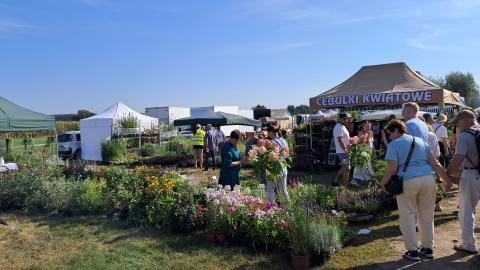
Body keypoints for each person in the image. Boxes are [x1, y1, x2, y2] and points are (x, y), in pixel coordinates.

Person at [380, 119, 452, 261]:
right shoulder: (420, 141)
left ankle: (412, 250)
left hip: (408, 181)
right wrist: (446, 179)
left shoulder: (394, 145)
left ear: (396, 130)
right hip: (428, 179)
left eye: (390, 133)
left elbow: (393, 168)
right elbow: (435, 163)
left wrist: (383, 183)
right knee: (426, 215)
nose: (389, 137)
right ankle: (427, 248)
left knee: (407, 216)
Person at [446, 110, 480, 255]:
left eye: (457, 123)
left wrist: (446, 175)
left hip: (472, 173)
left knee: (466, 211)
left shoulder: (465, 135)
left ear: (465, 120)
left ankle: (469, 244)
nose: (457, 126)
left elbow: (458, 158)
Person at [266, 125, 290, 202]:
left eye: (268, 133)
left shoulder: (272, 142)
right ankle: (289, 206)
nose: (267, 135)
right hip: (283, 168)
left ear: (270, 132)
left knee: (270, 190)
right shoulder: (284, 141)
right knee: (284, 190)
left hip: (273, 169)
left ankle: (271, 208)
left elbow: (269, 156)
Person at [332, 113, 352, 187]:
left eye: (347, 118)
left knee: (344, 167)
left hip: (344, 151)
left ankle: (335, 180)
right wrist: (345, 149)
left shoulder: (342, 126)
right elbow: (340, 140)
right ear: (340, 119)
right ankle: (346, 187)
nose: (346, 120)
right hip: (343, 152)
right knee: (347, 169)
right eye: (344, 119)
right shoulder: (338, 127)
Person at [353, 121, 375, 185]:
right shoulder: (361, 133)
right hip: (363, 150)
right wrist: (367, 135)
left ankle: (367, 179)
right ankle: (360, 179)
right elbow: (365, 143)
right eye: (366, 126)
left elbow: (372, 142)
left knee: (367, 165)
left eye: (369, 126)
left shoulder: (371, 132)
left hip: (369, 150)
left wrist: (373, 150)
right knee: (363, 165)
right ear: (363, 127)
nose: (367, 128)